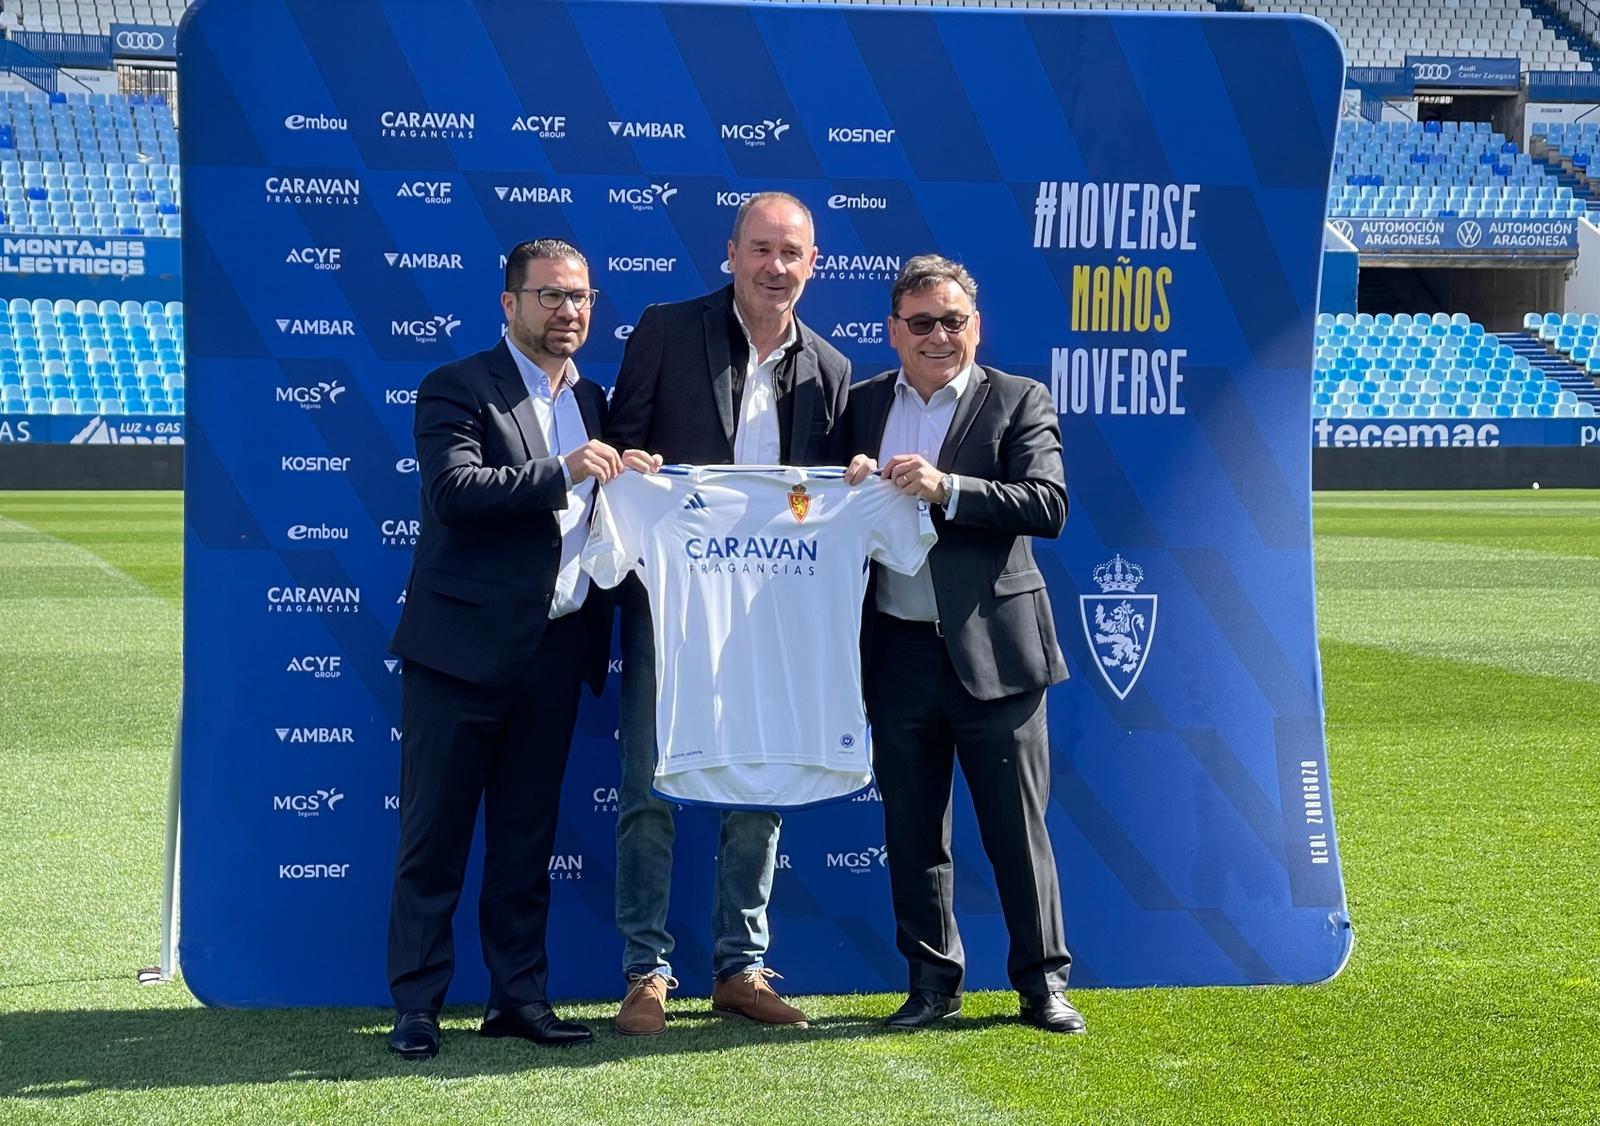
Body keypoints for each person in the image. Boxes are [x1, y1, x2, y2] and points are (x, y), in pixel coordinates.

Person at [603, 191, 850, 1034]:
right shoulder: (666, 330)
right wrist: (630, 465)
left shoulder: (830, 367)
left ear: (812, 265)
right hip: (671, 603)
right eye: (761, 249)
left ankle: (741, 967)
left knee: (764, 782)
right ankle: (646, 971)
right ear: (732, 252)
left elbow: (819, 508)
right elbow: (621, 454)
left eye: (793, 253)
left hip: (774, 614)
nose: (776, 267)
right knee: (650, 783)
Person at [384, 239, 622, 1059]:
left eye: (581, 298)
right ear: (508, 303)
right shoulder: (457, 386)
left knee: (527, 841)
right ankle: (417, 1006)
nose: (568, 312)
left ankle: (518, 998)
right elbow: (455, 493)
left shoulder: (597, 398)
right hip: (459, 654)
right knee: (434, 838)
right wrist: (565, 469)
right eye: (551, 296)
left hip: (555, 649)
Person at [840, 255, 1085, 1034]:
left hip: (996, 650)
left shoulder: (1018, 399)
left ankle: (1042, 984)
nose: (939, 335)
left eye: (953, 320)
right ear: (894, 332)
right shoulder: (861, 401)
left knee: (1017, 830)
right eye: (922, 322)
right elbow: (816, 498)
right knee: (912, 832)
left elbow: (1047, 505)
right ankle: (930, 985)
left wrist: (949, 488)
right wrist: (843, 476)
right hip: (897, 647)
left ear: (975, 325)